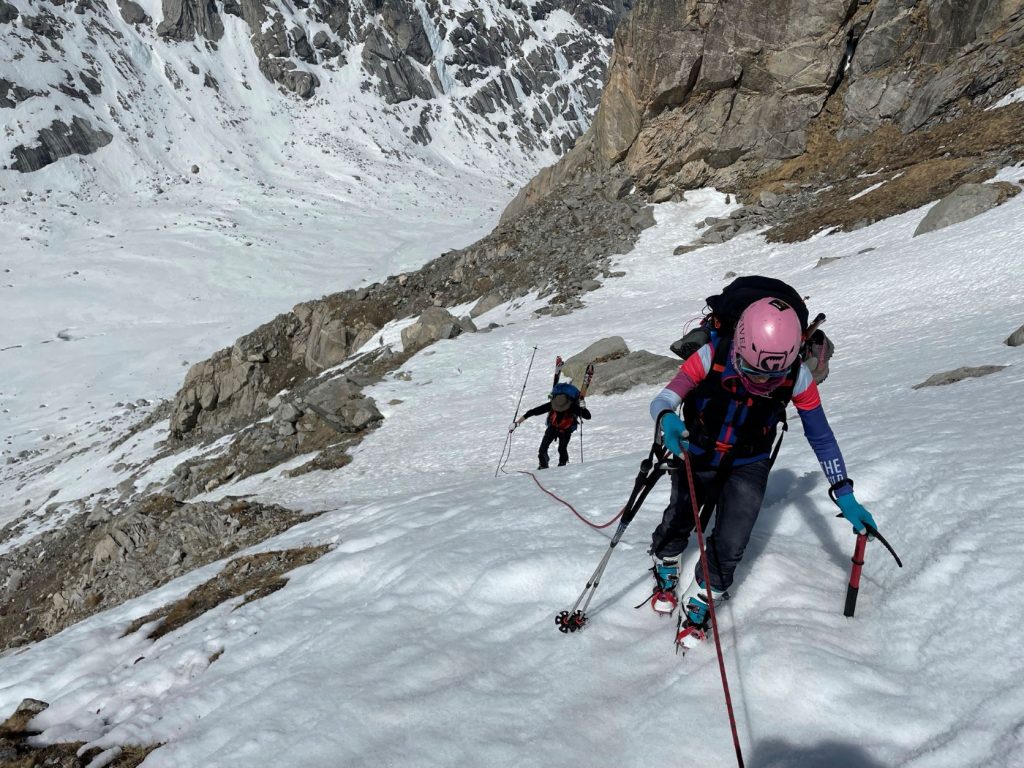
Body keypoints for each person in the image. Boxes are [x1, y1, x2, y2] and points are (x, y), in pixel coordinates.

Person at [647, 294, 878, 641]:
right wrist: (666, 418)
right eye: (755, 373)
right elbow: (666, 396)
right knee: (681, 514)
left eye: (774, 376)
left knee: (732, 539)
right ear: (740, 348)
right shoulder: (713, 354)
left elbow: (822, 436)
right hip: (696, 448)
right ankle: (666, 559)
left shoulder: (796, 377)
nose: (764, 384)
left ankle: (704, 595)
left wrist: (844, 492)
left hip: (748, 462)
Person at [515, 383, 592, 469]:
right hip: (553, 428)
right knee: (542, 451)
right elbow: (533, 412)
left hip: (565, 430)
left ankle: (562, 466)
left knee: (561, 449)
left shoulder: (572, 406)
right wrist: (517, 423)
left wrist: (583, 407)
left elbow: (588, 416)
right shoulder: (553, 405)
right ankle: (544, 465)